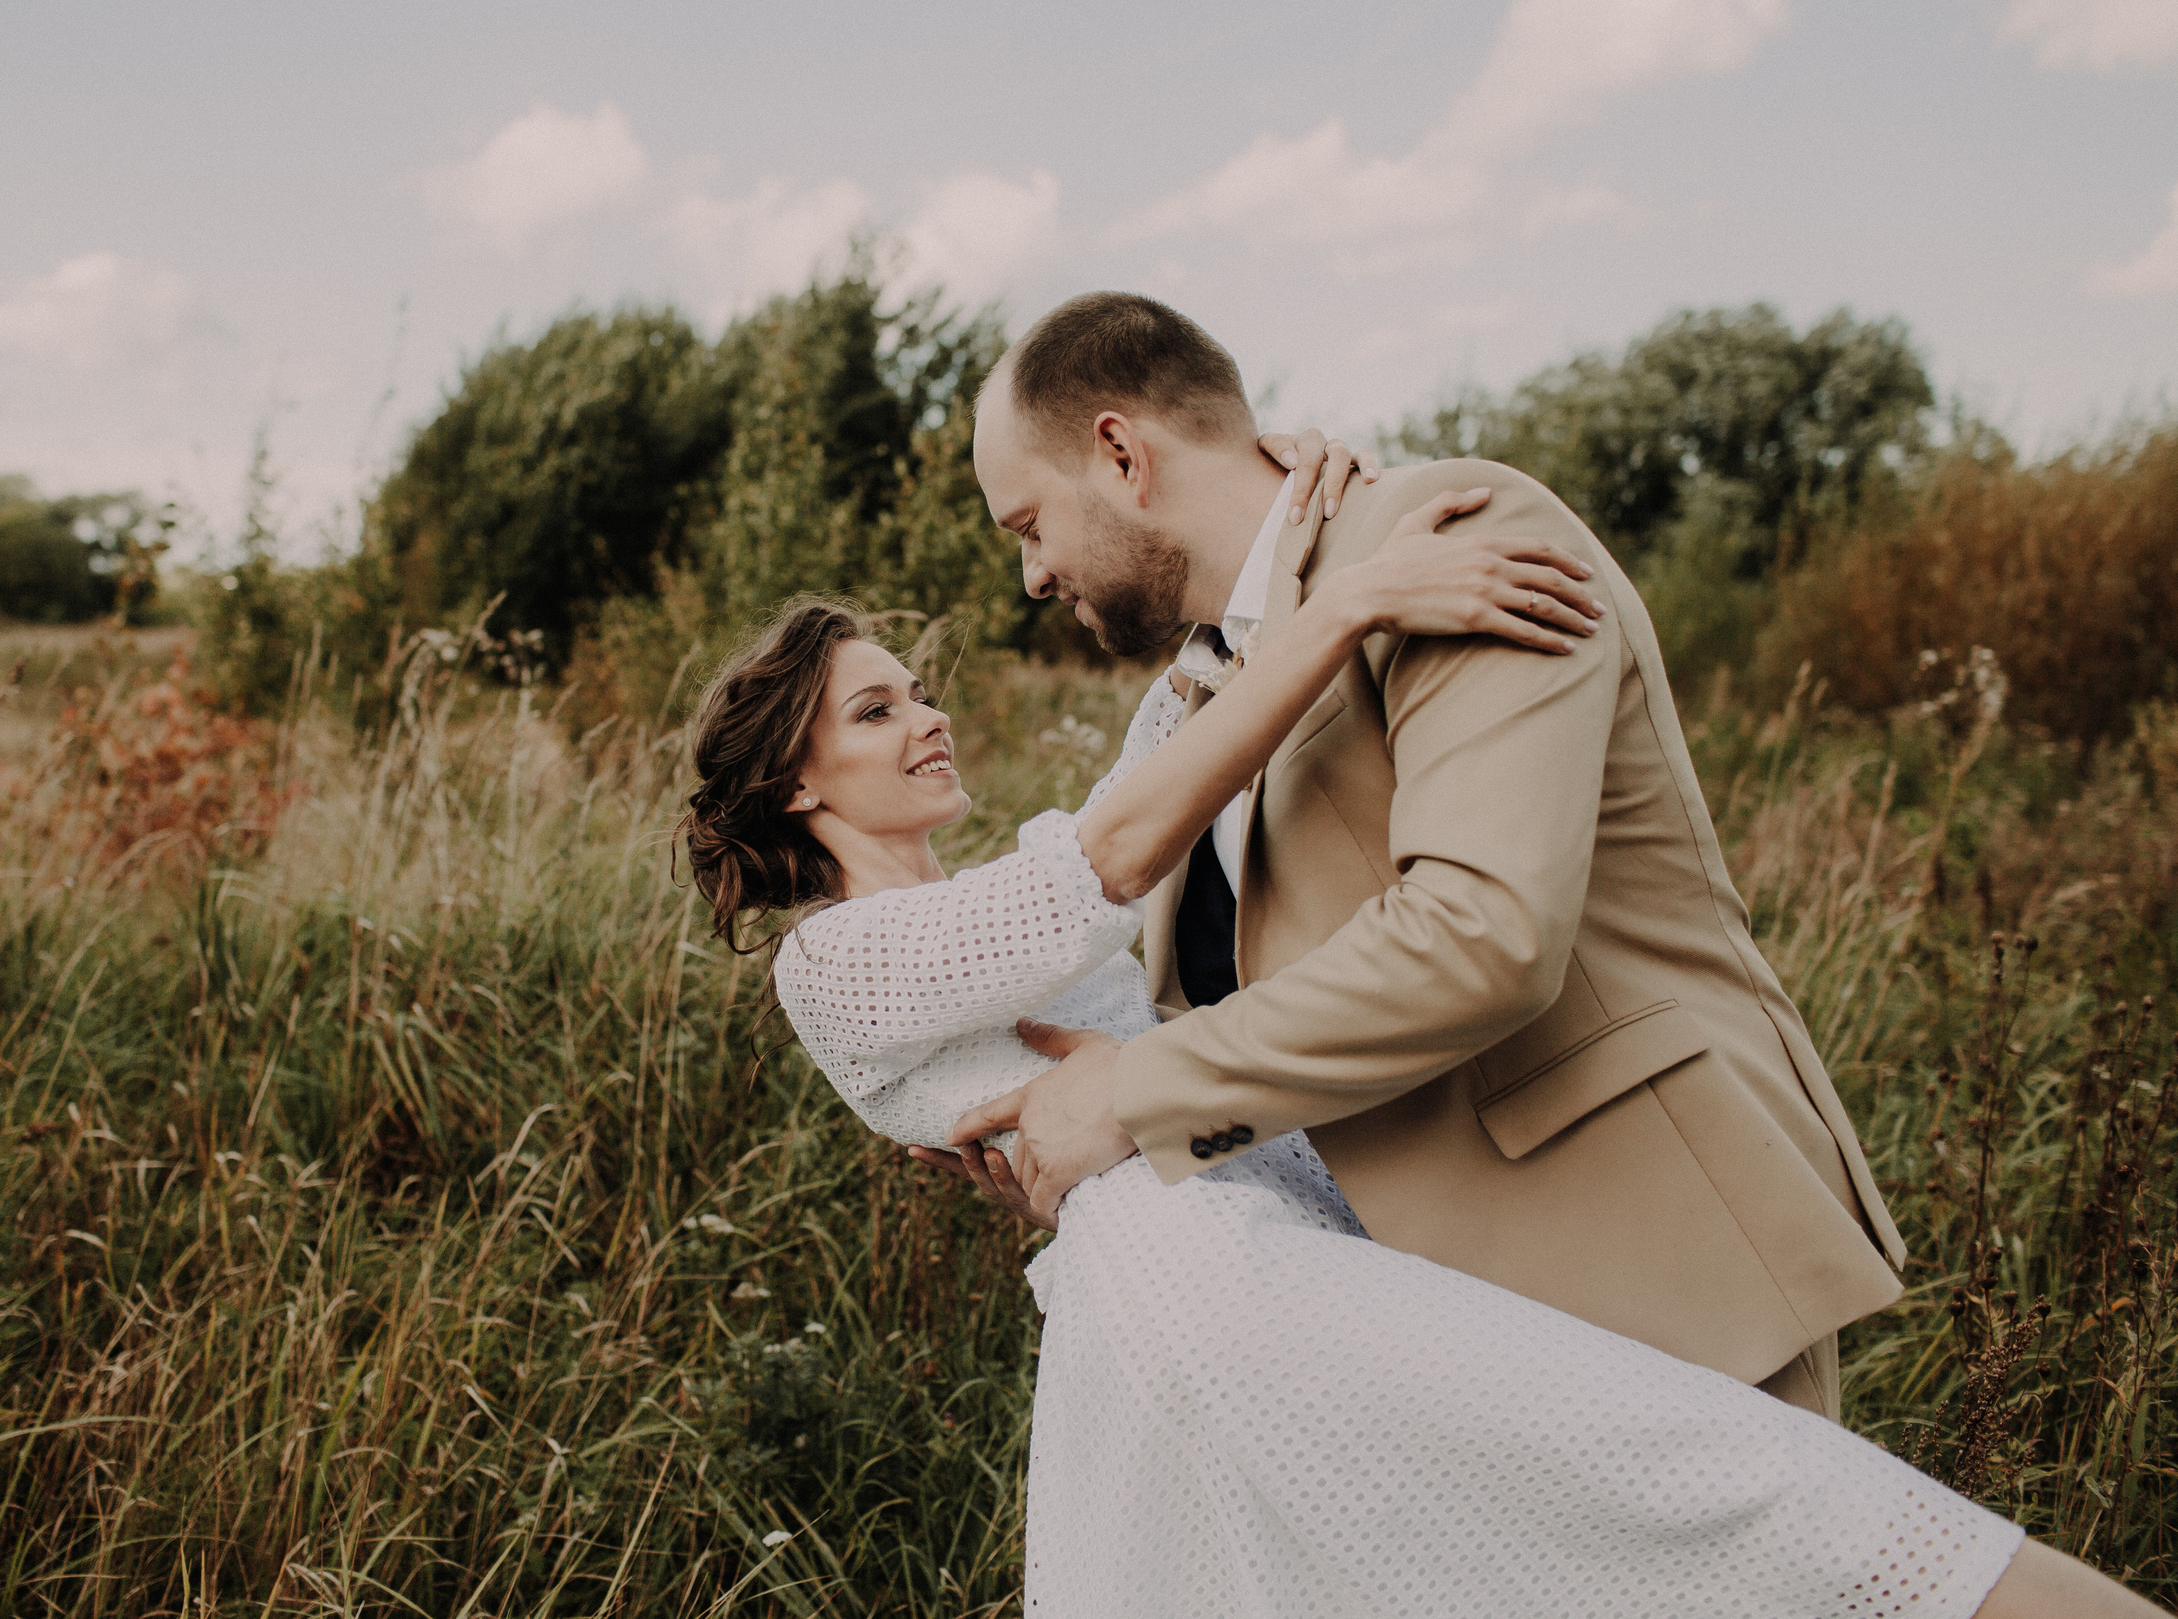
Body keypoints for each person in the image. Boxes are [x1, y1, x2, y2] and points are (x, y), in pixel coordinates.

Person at [678, 585, 2163, 1617]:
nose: (926, 713)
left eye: (919, 688)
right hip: (1204, 1291)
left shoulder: (989, 888)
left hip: (1267, 1249)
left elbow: (1144, 765)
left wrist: (1267, 575)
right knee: (1716, 1486)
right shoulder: (838, 965)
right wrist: (1333, 613)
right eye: (878, 709)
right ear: (800, 787)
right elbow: (1112, 852)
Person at [950, 291, 1891, 1421]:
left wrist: (1136, 1098)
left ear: (1119, 453)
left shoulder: (1454, 535)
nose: (1032, 579)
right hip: (1430, 1329)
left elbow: (1484, 935)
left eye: (1026, 528)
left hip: (1642, 1267)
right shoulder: (1206, 685)